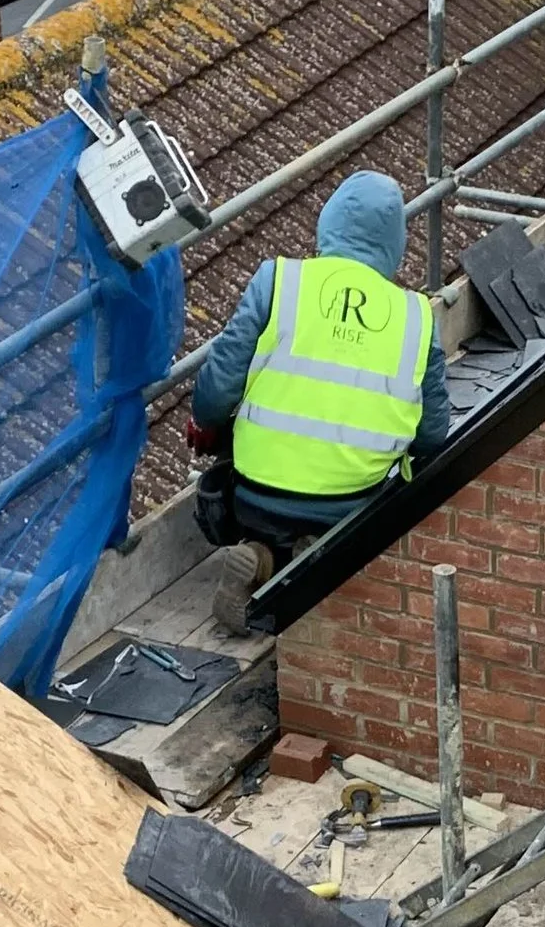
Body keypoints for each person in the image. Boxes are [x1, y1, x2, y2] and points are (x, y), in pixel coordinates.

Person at [187, 170, 450, 628]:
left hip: (255, 495)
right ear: (396, 243)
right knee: (360, 510)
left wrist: (210, 422)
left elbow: (217, 388)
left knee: (259, 501)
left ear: (328, 223)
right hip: (348, 504)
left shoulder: (279, 281)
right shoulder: (416, 317)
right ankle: (313, 558)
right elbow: (432, 435)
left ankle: (259, 555)